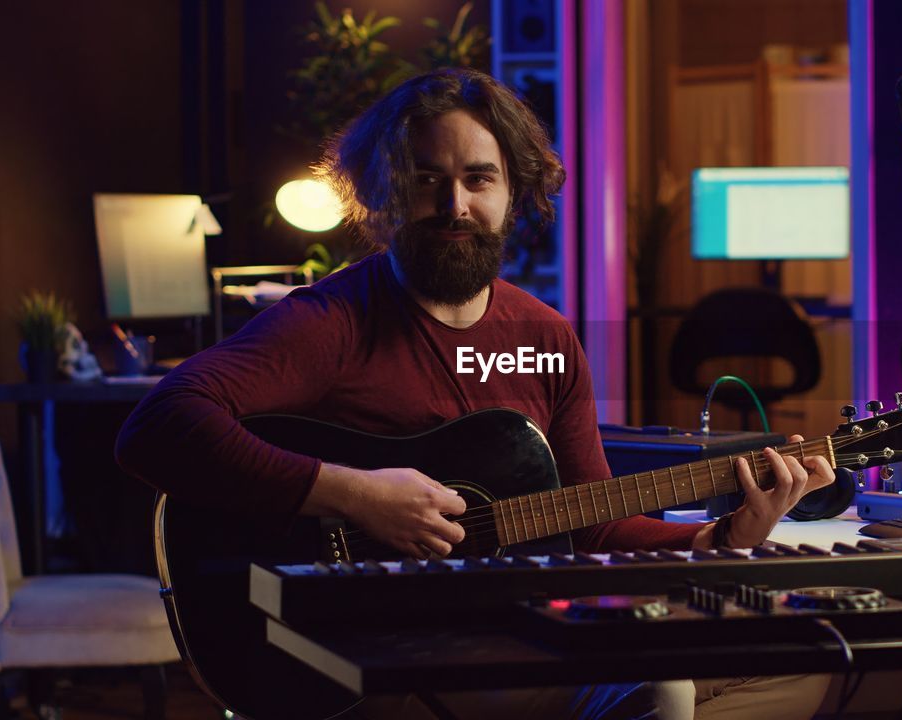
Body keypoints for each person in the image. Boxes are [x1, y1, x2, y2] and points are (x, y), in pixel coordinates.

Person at [116, 67, 835, 719]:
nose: (453, 204)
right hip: (363, 653)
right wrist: (353, 495)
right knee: (660, 693)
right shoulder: (330, 321)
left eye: (478, 179)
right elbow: (158, 425)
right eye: (426, 178)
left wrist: (720, 538)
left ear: (513, 192)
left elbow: (591, 528)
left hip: (511, 636)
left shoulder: (546, 336)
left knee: (811, 666)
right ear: (385, 191)